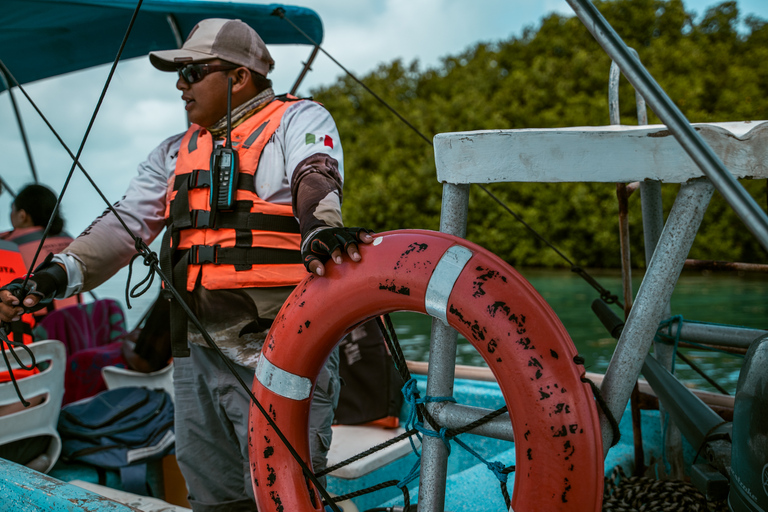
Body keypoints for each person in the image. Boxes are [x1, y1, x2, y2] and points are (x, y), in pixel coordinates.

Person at [0, 18, 372, 511]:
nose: (180, 85)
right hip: (195, 356)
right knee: (213, 495)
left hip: (279, 350)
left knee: (285, 495)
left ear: (239, 77)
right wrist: (52, 275)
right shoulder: (173, 151)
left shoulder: (299, 121)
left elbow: (315, 174)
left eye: (193, 72)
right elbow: (125, 224)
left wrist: (322, 226)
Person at [1, 184, 81, 314]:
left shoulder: (8, 244)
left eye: (12, 210)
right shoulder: (71, 240)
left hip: (38, 330)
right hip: (76, 325)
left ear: (22, 215)